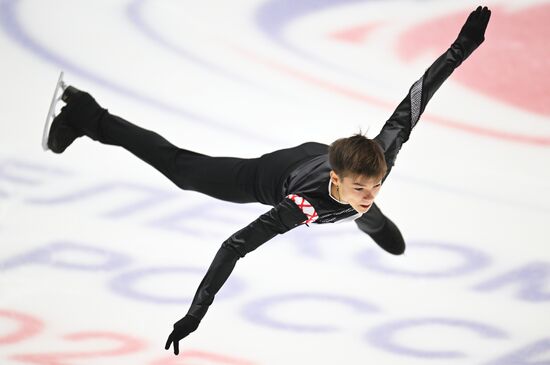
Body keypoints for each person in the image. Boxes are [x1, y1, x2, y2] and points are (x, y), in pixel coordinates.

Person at [43, 6, 491, 355]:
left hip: (330, 164)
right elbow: (234, 246)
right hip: (272, 174)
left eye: (376, 185)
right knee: (183, 171)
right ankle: (87, 114)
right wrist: (196, 313)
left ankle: (367, 221)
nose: (372, 192)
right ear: (339, 178)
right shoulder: (300, 207)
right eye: (362, 188)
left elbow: (419, 92)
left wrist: (463, 45)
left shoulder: (380, 156)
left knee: (366, 212)